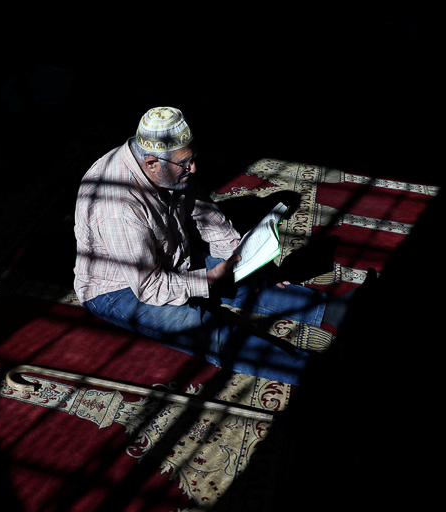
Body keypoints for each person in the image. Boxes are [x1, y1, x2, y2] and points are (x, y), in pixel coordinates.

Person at [73, 106, 349, 385]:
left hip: (170, 257)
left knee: (243, 277)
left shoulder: (170, 169)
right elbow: (150, 287)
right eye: (185, 164)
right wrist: (209, 279)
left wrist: (244, 258)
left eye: (192, 158)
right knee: (207, 330)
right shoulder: (118, 209)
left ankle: (337, 311)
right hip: (121, 288)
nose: (193, 168)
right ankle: (312, 374)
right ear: (152, 163)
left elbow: (206, 217)